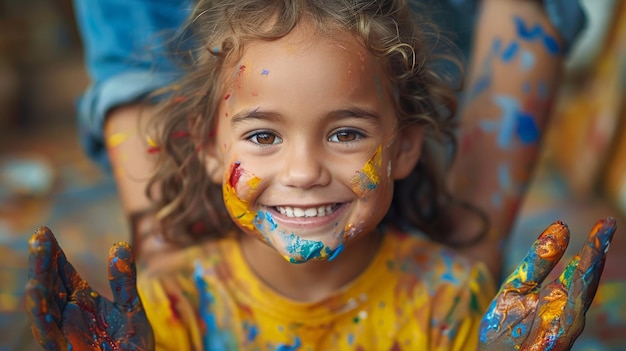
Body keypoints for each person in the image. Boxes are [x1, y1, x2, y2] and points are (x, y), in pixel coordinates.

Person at [26, 0, 616, 350]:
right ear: (208, 148)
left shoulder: (451, 298)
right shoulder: (170, 304)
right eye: (262, 136)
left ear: (405, 147)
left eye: (345, 133)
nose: (304, 171)